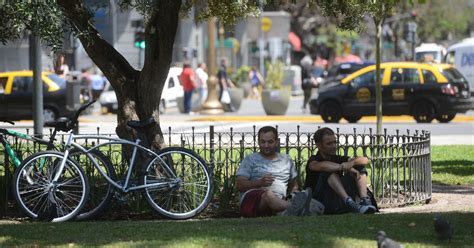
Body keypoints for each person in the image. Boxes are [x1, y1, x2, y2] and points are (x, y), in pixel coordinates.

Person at [236, 126, 313, 217]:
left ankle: (286, 210)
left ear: (276, 142)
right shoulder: (250, 159)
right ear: (258, 142)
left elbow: (293, 185)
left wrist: (292, 195)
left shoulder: (286, 160)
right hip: (254, 200)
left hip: (279, 200)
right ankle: (296, 207)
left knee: (315, 204)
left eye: (270, 142)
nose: (266, 145)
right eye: (263, 142)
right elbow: (239, 185)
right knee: (268, 194)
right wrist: (260, 182)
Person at [304, 127, 376, 214]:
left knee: (358, 166)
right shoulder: (314, 160)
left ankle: (364, 200)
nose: (333, 146)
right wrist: (342, 167)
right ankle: (349, 202)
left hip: (335, 198)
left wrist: (351, 164)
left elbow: (364, 160)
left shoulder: (336, 158)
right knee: (328, 171)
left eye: (335, 142)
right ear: (319, 145)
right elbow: (320, 166)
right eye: (329, 144)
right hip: (320, 200)